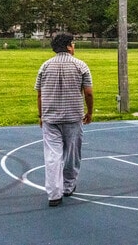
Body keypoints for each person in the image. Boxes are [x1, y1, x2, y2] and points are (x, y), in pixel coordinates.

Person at [35, 33, 94, 207]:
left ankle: (54, 193)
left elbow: (40, 94)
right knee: (72, 154)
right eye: (73, 44)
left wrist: (41, 115)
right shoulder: (80, 65)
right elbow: (88, 92)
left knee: (52, 155)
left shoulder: (45, 66)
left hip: (51, 117)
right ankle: (68, 185)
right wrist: (89, 112)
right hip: (73, 116)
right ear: (68, 46)